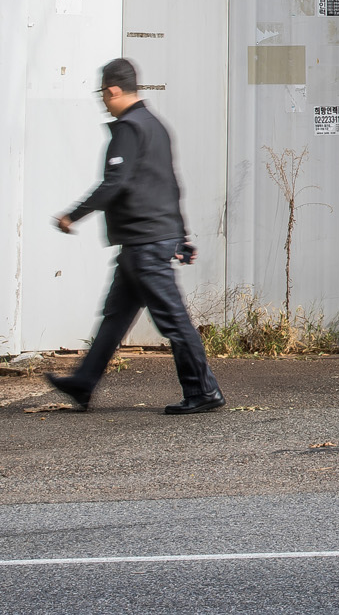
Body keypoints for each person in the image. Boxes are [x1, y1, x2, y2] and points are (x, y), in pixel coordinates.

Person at [46, 58, 225, 416]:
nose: (102, 101)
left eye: (102, 93)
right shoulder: (155, 125)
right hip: (145, 242)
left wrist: (73, 215)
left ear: (113, 89)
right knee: (114, 318)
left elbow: (115, 182)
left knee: (173, 321)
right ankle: (83, 384)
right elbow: (170, 184)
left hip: (145, 244)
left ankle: (203, 391)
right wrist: (180, 236)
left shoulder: (129, 127)